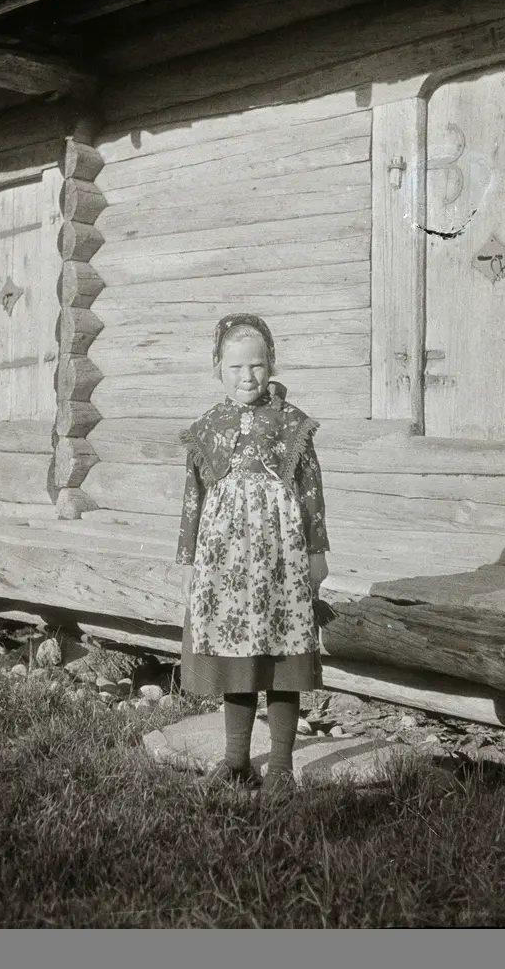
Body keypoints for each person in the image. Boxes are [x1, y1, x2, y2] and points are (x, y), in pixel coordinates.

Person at [176, 313, 330, 800]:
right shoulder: (207, 428)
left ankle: (281, 766)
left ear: (272, 364)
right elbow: (193, 500)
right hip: (225, 560)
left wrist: (317, 553)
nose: (248, 377)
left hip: (281, 558)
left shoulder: (292, 423)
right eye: (236, 367)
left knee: (282, 654)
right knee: (236, 654)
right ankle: (236, 760)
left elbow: (311, 493)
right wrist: (188, 562)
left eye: (257, 366)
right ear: (217, 369)